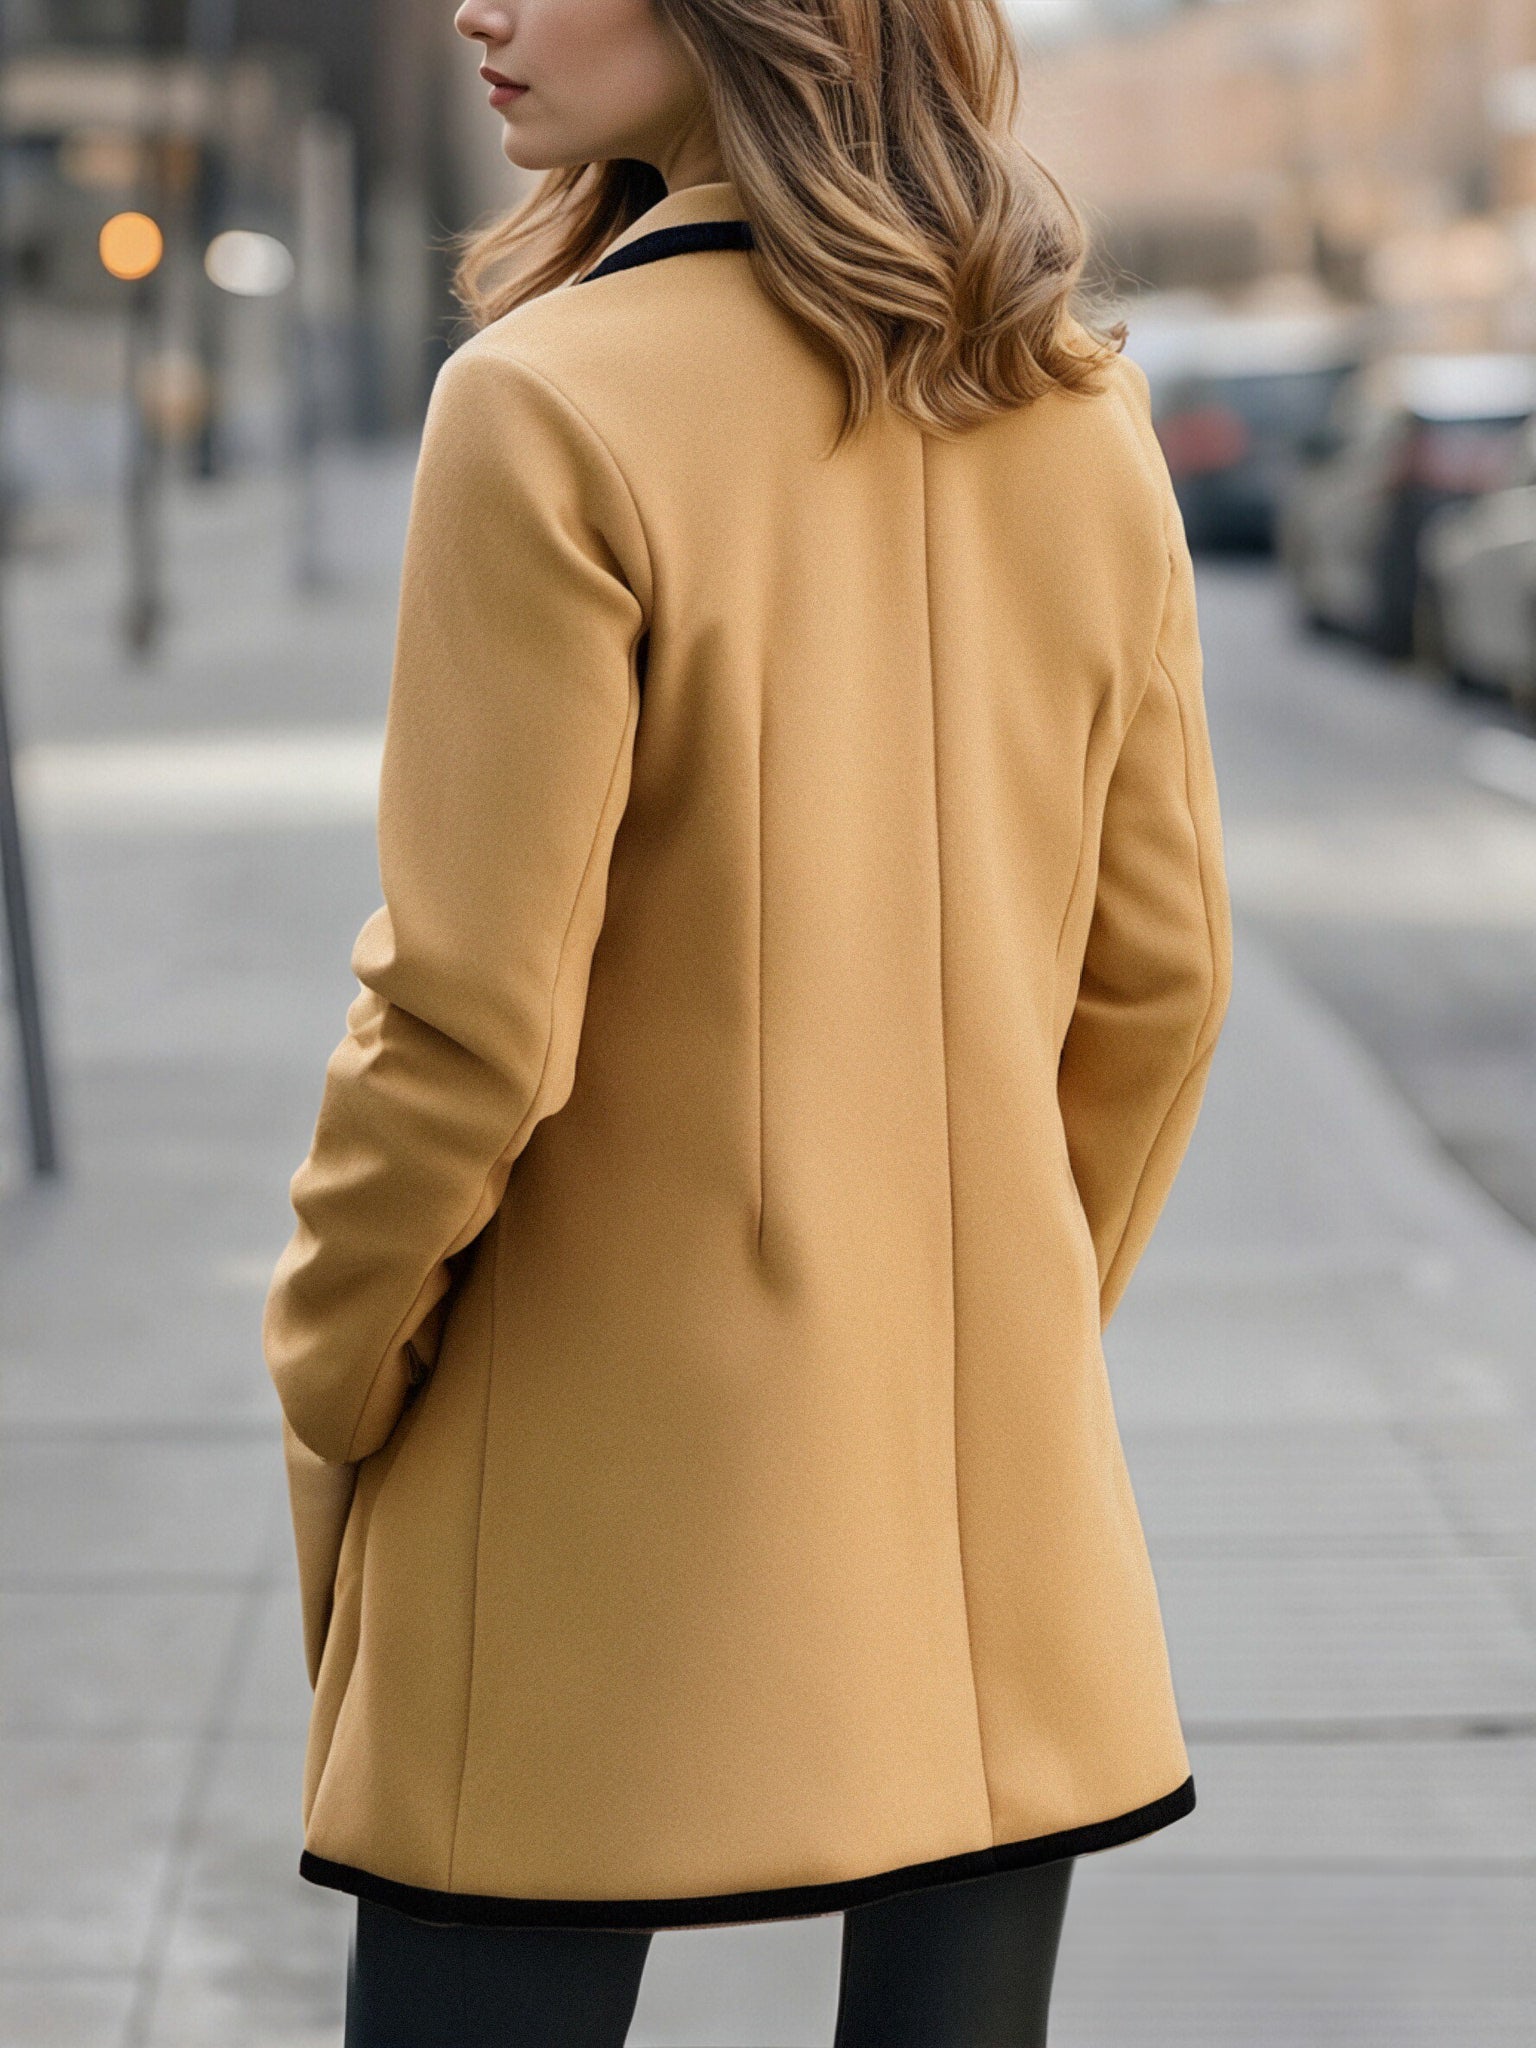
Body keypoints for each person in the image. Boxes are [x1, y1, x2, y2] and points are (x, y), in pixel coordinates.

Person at [260, 0, 1233, 2038]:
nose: (477, 9)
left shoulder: (544, 401)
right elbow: (1159, 983)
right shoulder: (1078, 407)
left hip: (577, 1495)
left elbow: (465, 1025)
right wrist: (989, 1332)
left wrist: (335, 1352)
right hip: (989, 1529)